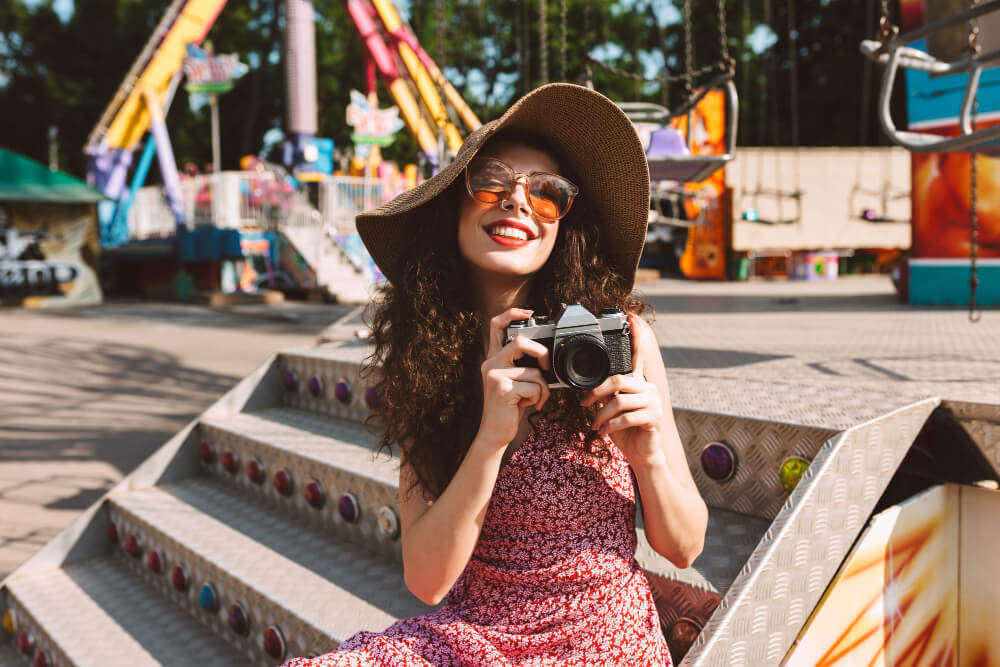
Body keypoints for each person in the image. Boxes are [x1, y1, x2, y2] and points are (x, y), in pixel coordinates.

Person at [282, 83, 708, 666]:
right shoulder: (425, 362)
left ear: (564, 226)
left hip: (601, 635)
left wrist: (650, 456)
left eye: (548, 194)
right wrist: (489, 438)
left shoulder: (622, 339)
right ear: (453, 208)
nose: (518, 202)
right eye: (492, 183)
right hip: (470, 635)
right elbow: (428, 582)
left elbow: (684, 548)